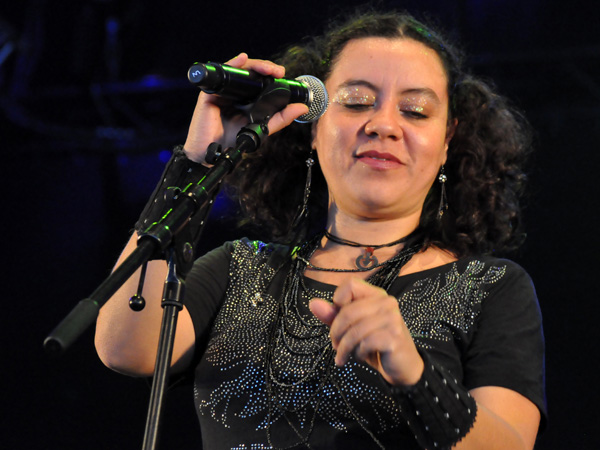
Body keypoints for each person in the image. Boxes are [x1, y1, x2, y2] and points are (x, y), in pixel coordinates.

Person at [95, 10, 546, 450]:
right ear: (313, 127)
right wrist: (197, 161)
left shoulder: (491, 289)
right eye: (356, 102)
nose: (383, 125)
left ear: (447, 141)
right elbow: (125, 347)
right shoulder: (238, 270)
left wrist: (416, 374)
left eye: (415, 110)